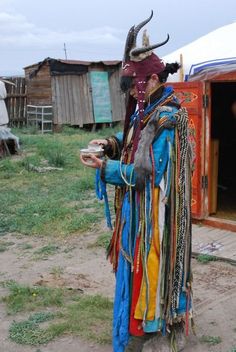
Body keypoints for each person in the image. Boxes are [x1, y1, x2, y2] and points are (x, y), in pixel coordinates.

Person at [80, 11, 193, 352]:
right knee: (138, 266)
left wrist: (106, 168)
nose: (132, 94)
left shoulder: (167, 118)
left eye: (134, 86)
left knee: (150, 264)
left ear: (150, 81)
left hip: (154, 216)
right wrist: (110, 144)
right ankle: (140, 323)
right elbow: (132, 134)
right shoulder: (149, 112)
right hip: (139, 211)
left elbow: (145, 174)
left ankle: (148, 327)